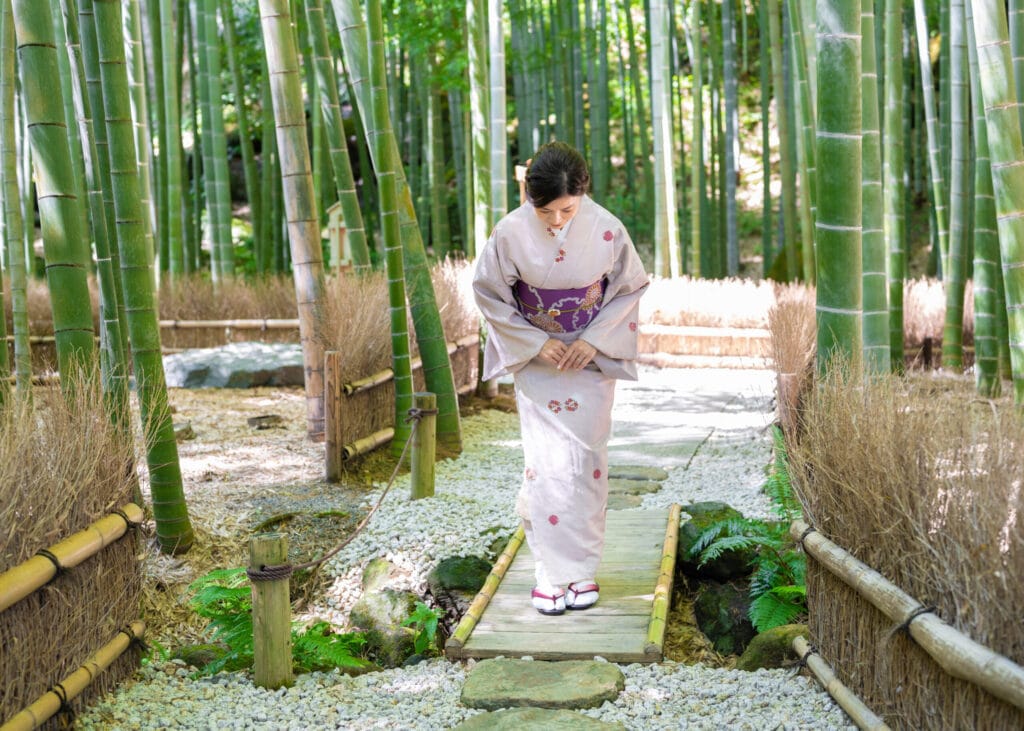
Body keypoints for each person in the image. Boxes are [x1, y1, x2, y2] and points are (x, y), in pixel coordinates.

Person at [473, 141, 649, 616]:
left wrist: (593, 340)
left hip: (589, 359)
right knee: (545, 463)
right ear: (530, 198)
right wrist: (535, 342)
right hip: (539, 362)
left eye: (567, 210)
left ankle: (583, 569)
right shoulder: (509, 232)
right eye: (545, 210)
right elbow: (488, 292)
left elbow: (629, 288)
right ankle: (549, 572)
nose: (555, 220)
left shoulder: (608, 229)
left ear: (583, 193)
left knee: (587, 461)